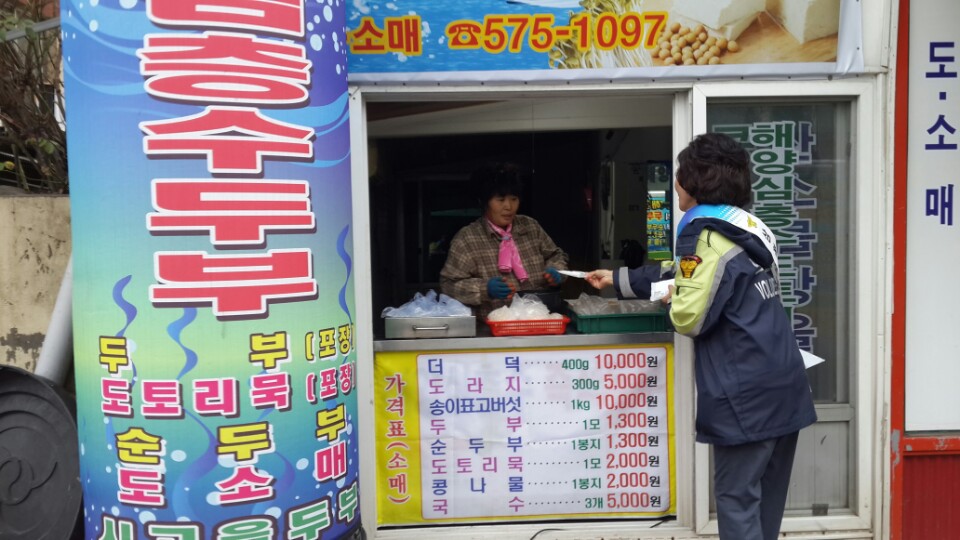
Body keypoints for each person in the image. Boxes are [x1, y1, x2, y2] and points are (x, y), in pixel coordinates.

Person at [585, 133, 817, 540]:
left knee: (737, 499)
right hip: (784, 383)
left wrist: (671, 302)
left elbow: (689, 317)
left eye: (680, 174)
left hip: (746, 393)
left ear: (694, 182)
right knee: (766, 499)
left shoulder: (704, 234)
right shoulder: (745, 227)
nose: (676, 183)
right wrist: (619, 279)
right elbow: (686, 273)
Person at [440, 162, 569, 319]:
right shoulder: (467, 239)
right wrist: (484, 289)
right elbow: (448, 285)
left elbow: (556, 255)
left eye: (514, 199)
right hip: (491, 327)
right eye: (500, 200)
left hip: (538, 321)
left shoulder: (530, 227)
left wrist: (556, 271)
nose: (509, 207)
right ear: (483, 202)